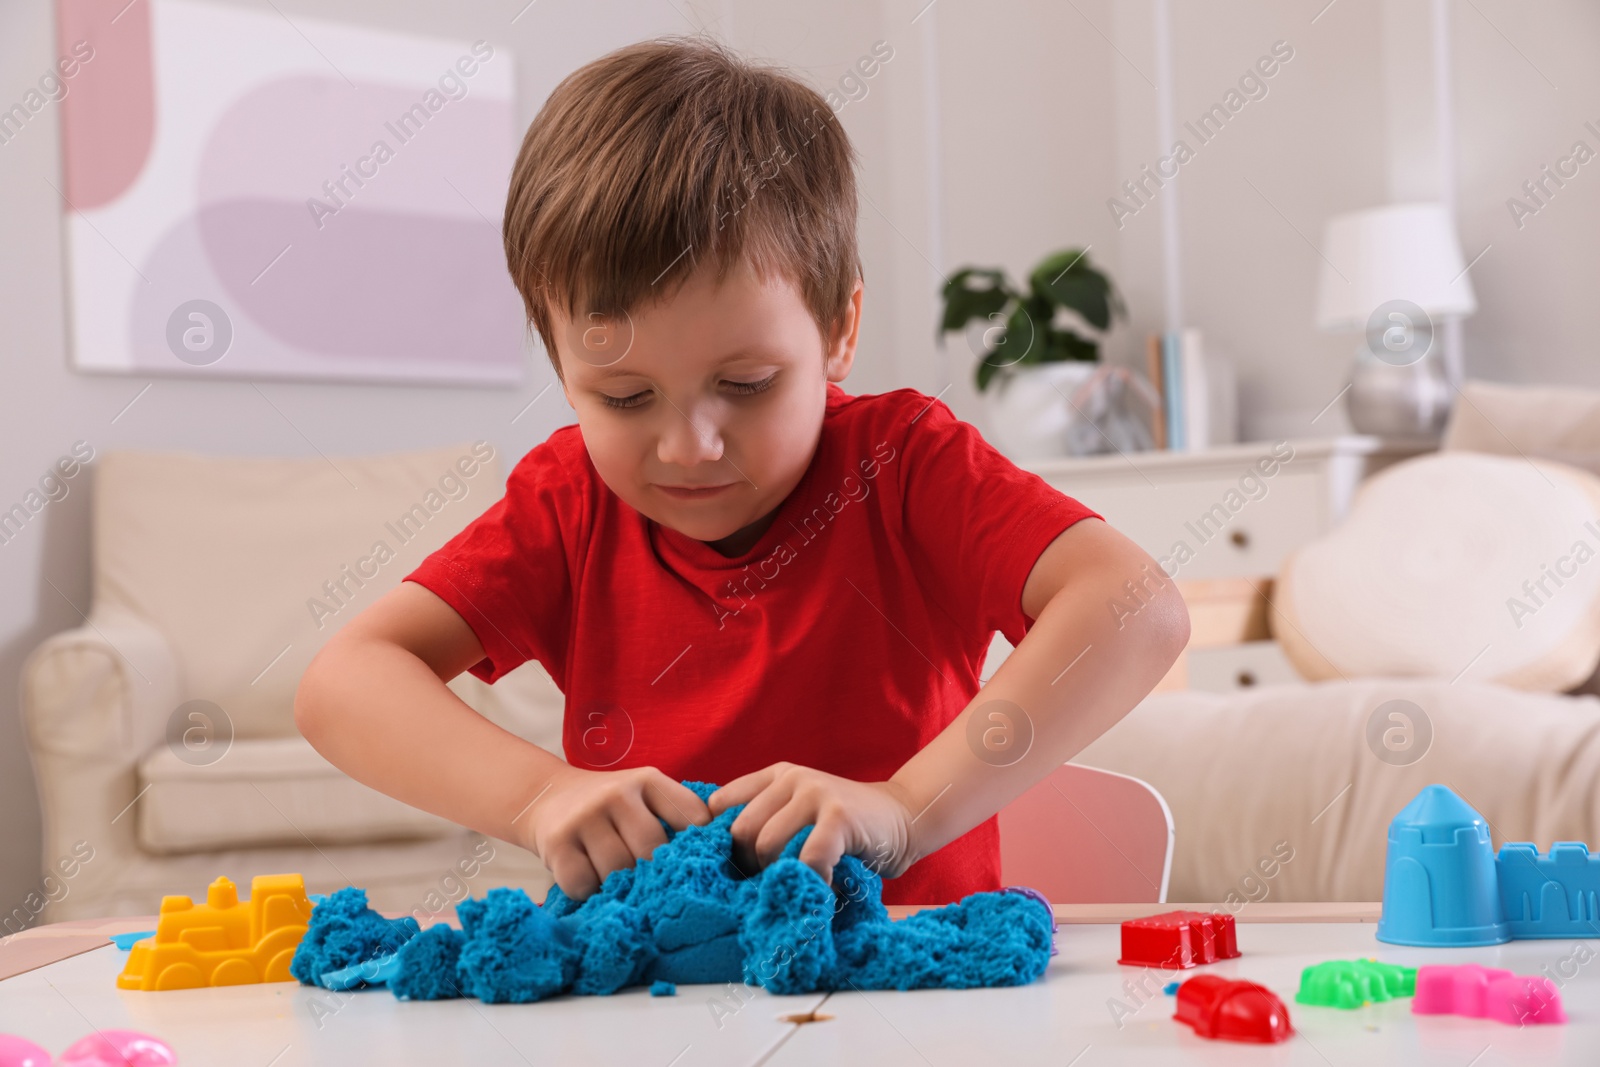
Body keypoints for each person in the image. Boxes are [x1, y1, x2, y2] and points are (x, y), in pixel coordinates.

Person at [294, 36, 1189, 908]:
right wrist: (537, 796)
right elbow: (345, 681)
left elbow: (1138, 606)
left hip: (906, 983)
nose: (689, 446)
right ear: (560, 364)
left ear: (840, 330)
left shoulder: (903, 464)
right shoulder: (568, 499)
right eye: (624, 397)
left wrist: (909, 809)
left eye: (746, 385)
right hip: (649, 1002)